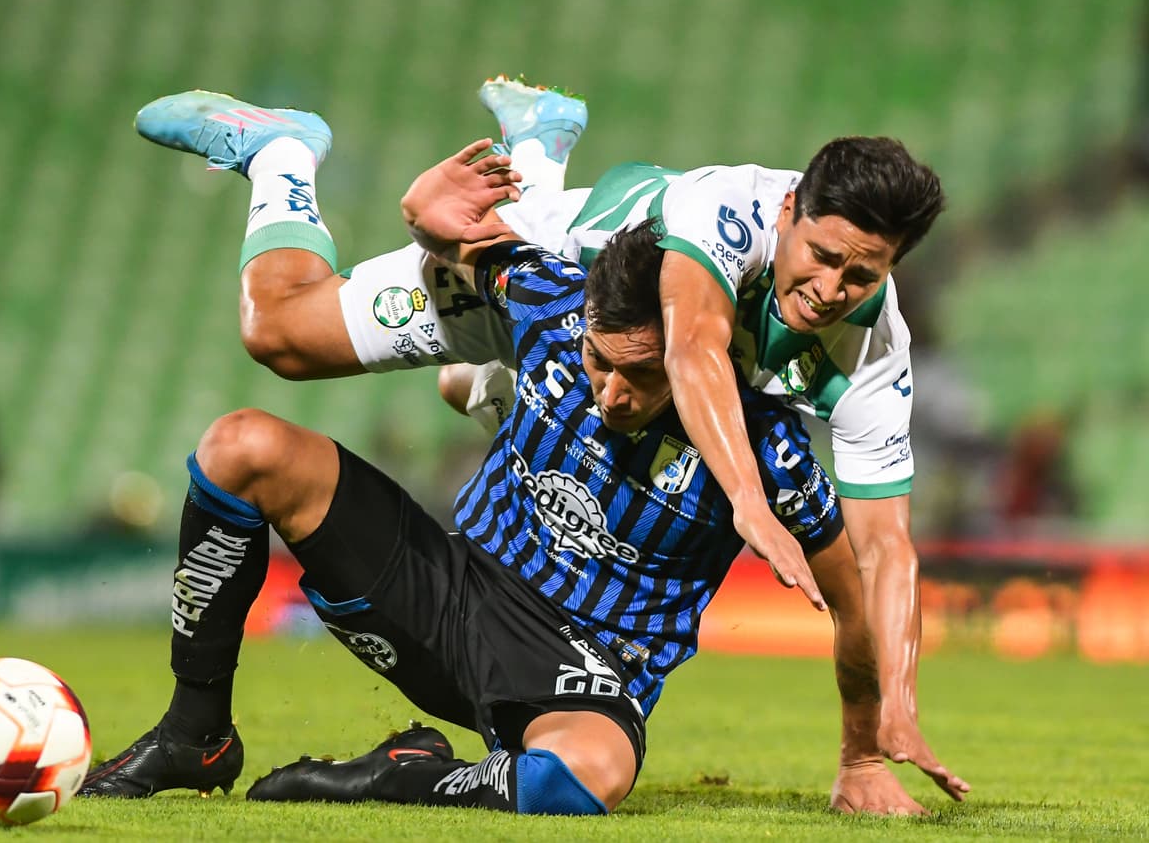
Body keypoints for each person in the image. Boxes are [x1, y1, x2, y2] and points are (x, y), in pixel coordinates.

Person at [119, 81, 969, 807]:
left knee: (588, 771)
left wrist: (870, 738)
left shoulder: (851, 367)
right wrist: (424, 208)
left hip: (579, 657)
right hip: (555, 254)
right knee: (275, 343)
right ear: (788, 213)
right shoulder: (656, 265)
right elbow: (686, 340)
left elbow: (879, 557)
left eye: (860, 276)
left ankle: (412, 769)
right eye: (821, 257)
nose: (831, 291)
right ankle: (283, 157)